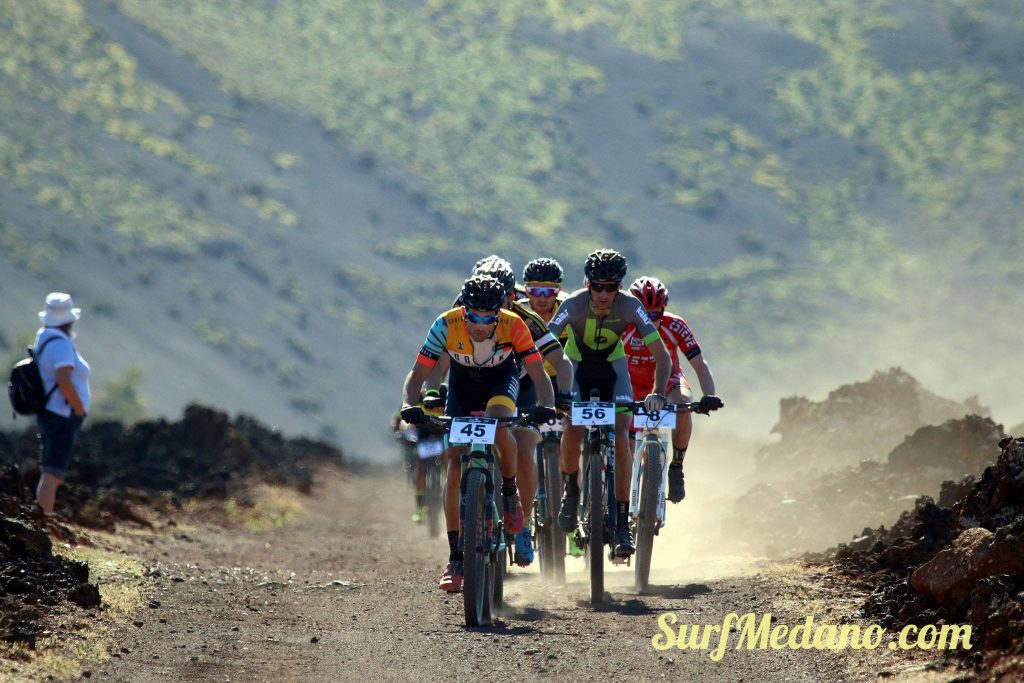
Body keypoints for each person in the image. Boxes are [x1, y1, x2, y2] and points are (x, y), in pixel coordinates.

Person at [400, 274, 556, 592]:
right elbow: (418, 373)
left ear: (499, 312)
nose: (480, 325)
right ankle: (455, 557)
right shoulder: (445, 323)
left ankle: (510, 494)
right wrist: (408, 405)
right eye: (474, 317)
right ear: (464, 310)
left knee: (500, 427)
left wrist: (547, 406)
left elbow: (539, 374)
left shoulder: (514, 324)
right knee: (454, 462)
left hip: (501, 382)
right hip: (462, 386)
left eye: (488, 318)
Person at [547, 249, 671, 557]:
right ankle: (571, 491)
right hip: (577, 367)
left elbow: (662, 355)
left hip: (613, 369)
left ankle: (621, 522)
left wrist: (657, 392)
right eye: (597, 287)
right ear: (587, 284)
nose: (603, 294)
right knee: (573, 425)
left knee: (621, 434)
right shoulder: (572, 304)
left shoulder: (630, 306)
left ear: (620, 287)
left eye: (610, 287)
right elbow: (546, 343)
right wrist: (554, 388)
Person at [473, 257, 573, 567]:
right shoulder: (461, 312)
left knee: (525, 449)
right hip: (481, 385)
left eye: (502, 295)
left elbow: (559, 361)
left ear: (512, 294)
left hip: (523, 384)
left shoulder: (525, 320)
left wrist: (559, 398)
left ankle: (523, 526)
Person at [623, 276, 723, 502]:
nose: (650, 321)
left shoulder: (675, 325)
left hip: (668, 382)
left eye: (655, 315)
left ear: (664, 309)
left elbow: (699, 364)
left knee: (683, 404)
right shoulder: (623, 327)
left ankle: (676, 466)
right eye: (643, 315)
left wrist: (709, 396)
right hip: (631, 384)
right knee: (626, 450)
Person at [33, 292, 91, 514]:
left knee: (50, 471)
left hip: (49, 411)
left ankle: (42, 520)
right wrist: (78, 407)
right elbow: (64, 379)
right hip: (62, 414)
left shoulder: (44, 336)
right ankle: (43, 521)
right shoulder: (61, 344)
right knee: (52, 473)